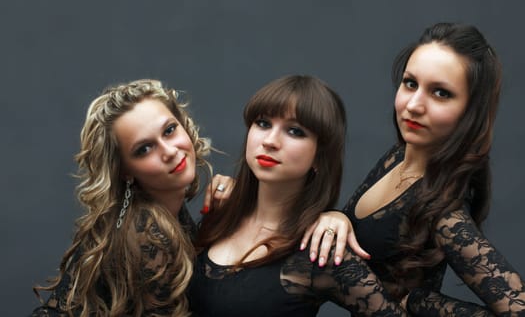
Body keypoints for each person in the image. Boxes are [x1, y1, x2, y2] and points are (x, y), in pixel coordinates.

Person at [303, 22, 525, 315]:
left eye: (441, 93)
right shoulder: (396, 157)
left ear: (471, 112)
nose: (415, 105)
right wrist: (336, 217)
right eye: (410, 83)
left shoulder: (445, 212)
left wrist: (420, 303)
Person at [188, 75, 408, 316]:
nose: (270, 141)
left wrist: (336, 216)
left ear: (319, 157)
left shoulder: (319, 248)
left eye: (294, 131)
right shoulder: (220, 212)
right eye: (263, 123)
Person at [30, 79, 230, 316]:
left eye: (169, 130)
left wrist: (225, 214)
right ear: (125, 171)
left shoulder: (165, 211)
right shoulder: (144, 229)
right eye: (144, 149)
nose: (169, 151)